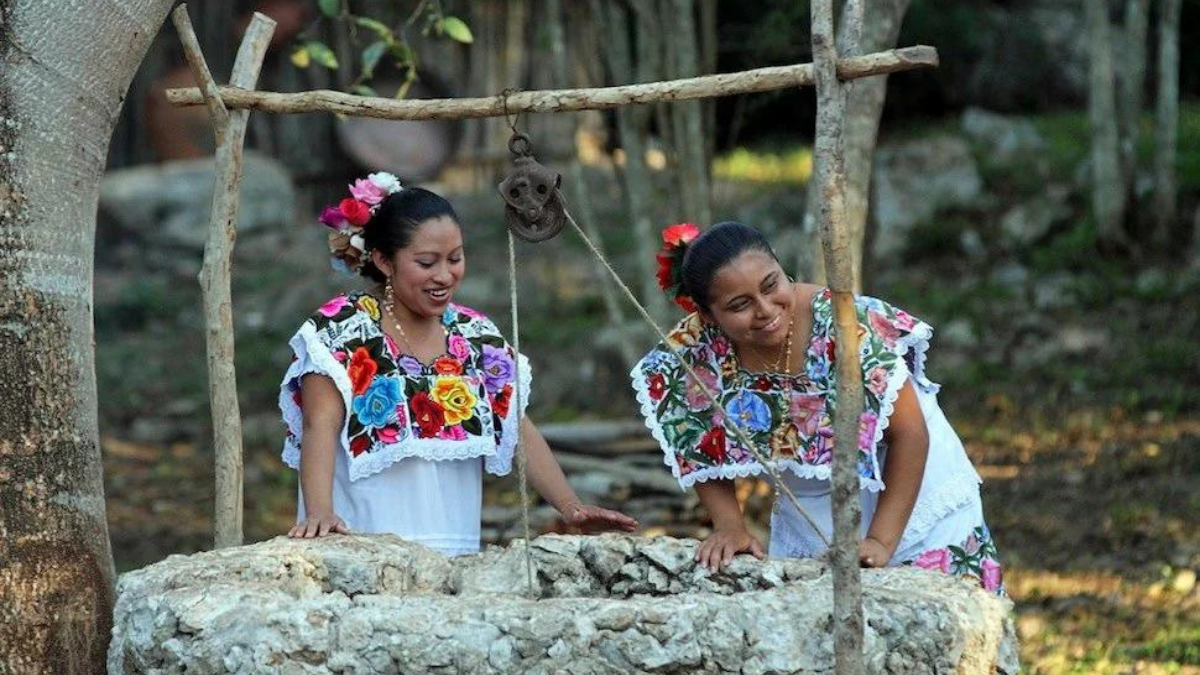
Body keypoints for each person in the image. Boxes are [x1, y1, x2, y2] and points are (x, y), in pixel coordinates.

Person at [632, 221, 1003, 593]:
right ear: (707, 315)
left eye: (771, 285)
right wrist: (730, 525)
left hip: (912, 488)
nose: (765, 310)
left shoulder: (844, 322)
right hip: (810, 507)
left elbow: (910, 434)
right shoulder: (694, 353)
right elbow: (700, 441)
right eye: (739, 305)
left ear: (781, 266)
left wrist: (881, 542)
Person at [280, 172, 637, 556]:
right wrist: (320, 513)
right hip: (362, 538)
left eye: (455, 258)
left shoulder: (475, 336)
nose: (445, 275)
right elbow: (320, 423)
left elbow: (515, 425)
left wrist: (571, 506)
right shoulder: (339, 330)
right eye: (426, 262)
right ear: (384, 260)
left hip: (452, 540)